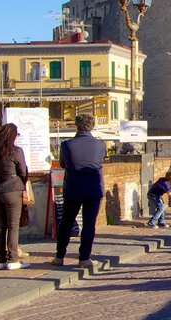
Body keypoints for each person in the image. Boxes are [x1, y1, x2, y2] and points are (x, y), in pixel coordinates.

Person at [52, 114, 107, 267]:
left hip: (73, 187)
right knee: (89, 224)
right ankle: (84, 258)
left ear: (76, 125)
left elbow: (63, 164)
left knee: (66, 222)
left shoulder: (66, 145)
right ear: (93, 126)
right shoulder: (100, 145)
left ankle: (59, 256)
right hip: (93, 189)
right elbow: (101, 160)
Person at [0, 123, 29, 270]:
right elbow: (23, 171)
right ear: (12, 136)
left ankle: (1, 260)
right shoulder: (16, 151)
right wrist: (21, 184)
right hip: (11, 188)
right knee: (13, 226)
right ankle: (13, 259)